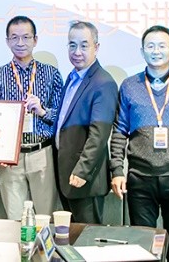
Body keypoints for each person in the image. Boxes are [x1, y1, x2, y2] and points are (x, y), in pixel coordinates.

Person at [110, 25, 169, 261]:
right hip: (140, 177)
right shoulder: (129, 86)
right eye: (150, 46)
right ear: (142, 51)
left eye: (162, 46)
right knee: (142, 244)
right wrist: (117, 170)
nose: (156, 51)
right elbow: (119, 131)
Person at [0, 16, 63, 220]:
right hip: (11, 155)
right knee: (15, 219)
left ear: (35, 40)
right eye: (15, 37)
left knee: (45, 219)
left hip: (42, 152)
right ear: (7, 41)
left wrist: (42, 110)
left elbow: (61, 117)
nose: (20, 43)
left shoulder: (52, 74)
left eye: (26, 37)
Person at [55, 20, 117, 224]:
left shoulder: (103, 82)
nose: (77, 52)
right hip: (67, 176)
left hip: (85, 179)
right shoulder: (73, 77)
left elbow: (99, 134)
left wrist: (82, 171)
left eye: (84, 45)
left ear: (96, 48)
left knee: (88, 237)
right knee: (71, 236)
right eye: (72, 45)